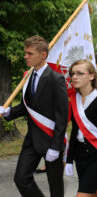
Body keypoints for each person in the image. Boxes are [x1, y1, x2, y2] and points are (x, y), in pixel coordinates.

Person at [0, 35, 68, 197]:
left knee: (56, 187)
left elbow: (62, 116)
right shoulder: (29, 77)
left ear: (43, 55)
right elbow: (27, 106)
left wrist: (56, 146)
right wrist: (9, 112)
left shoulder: (56, 78)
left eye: (30, 53)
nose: (25, 56)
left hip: (51, 139)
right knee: (21, 179)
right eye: (26, 53)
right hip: (32, 139)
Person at [64, 59, 97, 197]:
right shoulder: (75, 99)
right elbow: (74, 131)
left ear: (91, 76)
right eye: (72, 73)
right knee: (91, 194)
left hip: (96, 156)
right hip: (80, 156)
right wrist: (69, 159)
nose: (74, 77)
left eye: (80, 73)